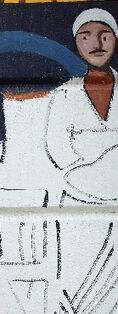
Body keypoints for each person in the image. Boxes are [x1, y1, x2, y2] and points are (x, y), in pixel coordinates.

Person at [45, 7, 117, 202]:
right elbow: (57, 147)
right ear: (77, 44)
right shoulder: (64, 94)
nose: (96, 44)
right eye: (85, 37)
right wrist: (89, 171)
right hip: (78, 192)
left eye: (104, 36)